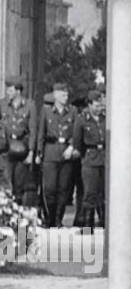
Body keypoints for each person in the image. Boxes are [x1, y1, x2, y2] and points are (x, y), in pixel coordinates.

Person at [35, 81, 79, 228]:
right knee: (49, 188)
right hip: (50, 152)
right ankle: (49, 218)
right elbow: (41, 133)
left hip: (66, 153)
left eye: (66, 94)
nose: (65, 96)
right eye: (62, 94)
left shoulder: (72, 111)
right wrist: (39, 153)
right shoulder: (46, 111)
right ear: (55, 95)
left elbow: (76, 132)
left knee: (63, 189)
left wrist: (72, 146)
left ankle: (58, 219)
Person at [71, 91, 106, 229]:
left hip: (104, 158)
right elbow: (77, 141)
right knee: (89, 193)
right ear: (90, 105)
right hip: (90, 159)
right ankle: (87, 225)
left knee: (103, 193)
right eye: (96, 105)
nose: (99, 108)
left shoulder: (106, 118)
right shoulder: (82, 119)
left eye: (100, 105)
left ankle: (104, 223)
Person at [1, 80, 35, 209]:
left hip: (22, 150)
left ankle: (19, 215)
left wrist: (31, 152)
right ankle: (7, 215)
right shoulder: (2, 104)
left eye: (10, 90)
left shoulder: (29, 105)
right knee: (6, 183)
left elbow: (33, 130)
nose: (7, 93)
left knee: (19, 185)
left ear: (18, 91)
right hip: (6, 149)